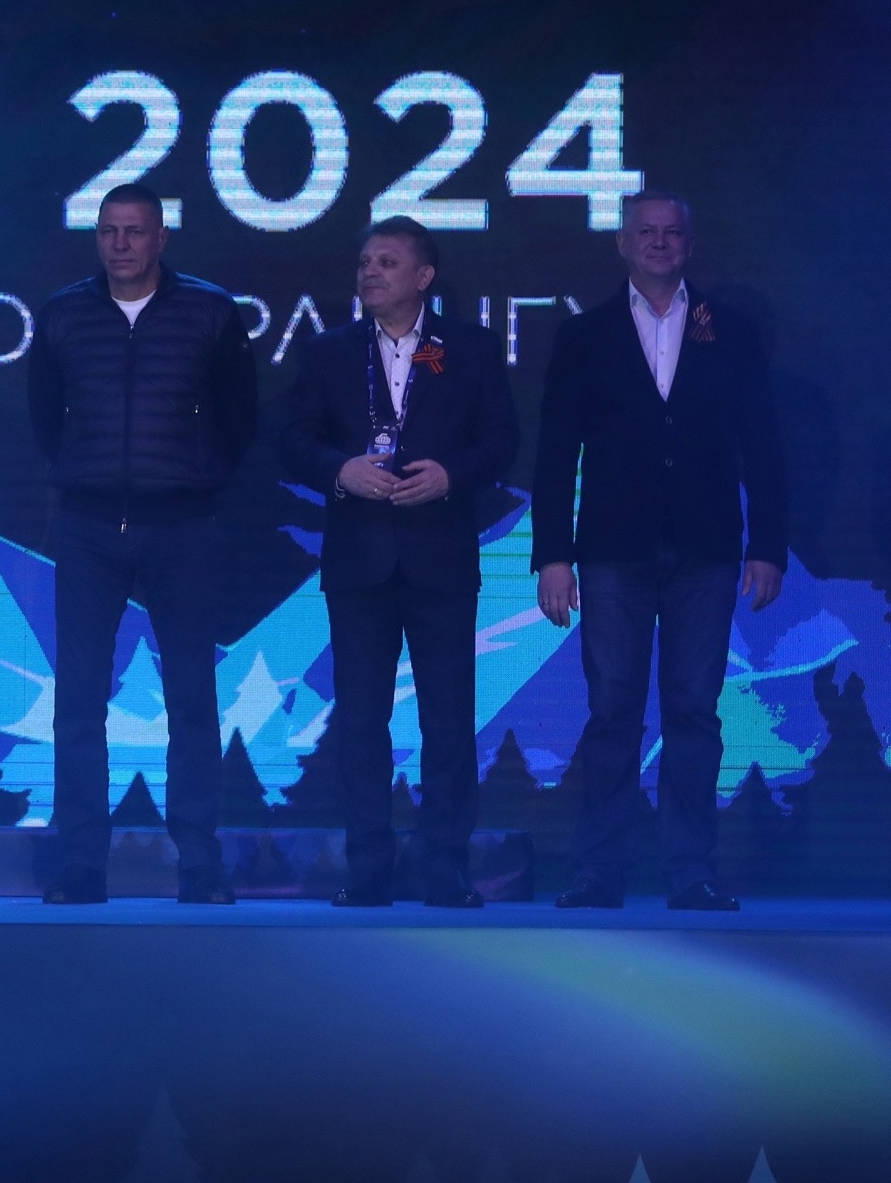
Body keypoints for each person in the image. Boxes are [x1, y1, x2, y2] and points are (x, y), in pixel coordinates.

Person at [534, 191, 784, 911]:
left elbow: (763, 445)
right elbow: (556, 452)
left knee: (695, 712)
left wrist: (768, 544)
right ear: (622, 243)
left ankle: (690, 870)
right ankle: (599, 870)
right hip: (612, 549)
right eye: (646, 231)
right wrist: (553, 554)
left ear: (690, 245)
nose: (659, 241)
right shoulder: (585, 335)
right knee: (613, 710)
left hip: (706, 549)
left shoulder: (729, 330)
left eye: (673, 232)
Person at [27, 184, 257, 904]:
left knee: (192, 699)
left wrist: (194, 477)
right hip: (90, 527)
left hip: (183, 528)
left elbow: (240, 418)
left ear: (161, 238)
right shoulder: (64, 313)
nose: (120, 244)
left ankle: (200, 864)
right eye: (108, 231)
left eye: (134, 231)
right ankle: (81, 865)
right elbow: (44, 418)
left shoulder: (210, 311)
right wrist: (88, 476)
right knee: (78, 702)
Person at [279, 216, 517, 908]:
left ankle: (445, 868)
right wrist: (339, 470)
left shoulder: (467, 349)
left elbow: (502, 439)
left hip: (440, 556)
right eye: (365, 262)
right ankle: (368, 869)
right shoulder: (329, 352)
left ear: (424, 276)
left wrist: (451, 475)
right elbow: (291, 439)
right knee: (360, 722)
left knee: (448, 721)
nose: (370, 272)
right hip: (359, 560)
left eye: (386, 261)